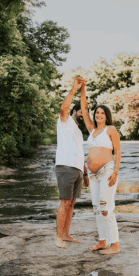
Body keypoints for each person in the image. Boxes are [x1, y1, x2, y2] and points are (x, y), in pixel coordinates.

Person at [80, 78, 121, 255]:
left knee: (106, 208)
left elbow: (118, 152)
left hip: (106, 171)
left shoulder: (111, 130)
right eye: (97, 113)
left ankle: (115, 245)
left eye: (102, 114)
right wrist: (82, 89)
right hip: (92, 174)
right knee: (97, 209)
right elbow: (84, 109)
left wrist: (116, 172)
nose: (98, 115)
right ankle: (102, 241)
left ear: (107, 116)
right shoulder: (91, 130)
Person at [55, 78, 89, 249]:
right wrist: (74, 89)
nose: (83, 113)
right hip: (65, 167)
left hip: (77, 169)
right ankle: (58, 237)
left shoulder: (79, 132)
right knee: (65, 202)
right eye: (81, 111)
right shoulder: (65, 121)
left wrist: (85, 173)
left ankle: (66, 234)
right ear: (75, 111)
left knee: (72, 203)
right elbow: (64, 107)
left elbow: (79, 152)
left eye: (85, 111)